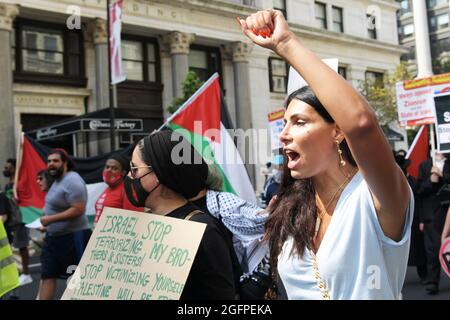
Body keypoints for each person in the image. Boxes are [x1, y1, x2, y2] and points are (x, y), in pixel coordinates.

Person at [237, 10, 412, 299]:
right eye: (284, 123)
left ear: (338, 131)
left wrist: (285, 43)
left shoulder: (374, 197)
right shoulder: (292, 208)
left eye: (299, 122)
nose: (284, 134)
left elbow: (362, 123)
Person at [124, 130, 236, 300]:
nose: (129, 176)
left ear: (158, 175)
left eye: (134, 169)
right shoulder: (143, 223)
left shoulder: (203, 231)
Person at [37, 149, 91, 300]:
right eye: (49, 161)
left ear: (65, 163)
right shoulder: (57, 181)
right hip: (53, 238)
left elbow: (78, 209)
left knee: (75, 279)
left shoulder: (73, 180)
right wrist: (46, 223)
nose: (51, 164)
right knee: (47, 274)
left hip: (73, 237)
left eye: (55, 161)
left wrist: (50, 220)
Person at [417, 152, 448, 294]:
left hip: (447, 214)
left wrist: (442, 175)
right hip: (431, 216)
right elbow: (418, 190)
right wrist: (431, 180)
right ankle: (432, 282)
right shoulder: (424, 165)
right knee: (432, 251)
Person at [394, 150, 427, 284]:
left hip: (415, 218)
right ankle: (396, 279)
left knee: (419, 248)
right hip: (398, 220)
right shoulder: (393, 184)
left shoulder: (413, 182)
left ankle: (424, 275)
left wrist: (422, 219)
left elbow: (420, 201)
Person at [0, 158, 32, 287]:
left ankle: (26, 274)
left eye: (8, 168)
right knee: (16, 246)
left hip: (21, 219)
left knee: (22, 246)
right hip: (12, 221)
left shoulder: (19, 183)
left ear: (14, 169)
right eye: (5, 168)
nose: (5, 170)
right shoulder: (8, 185)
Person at [93, 154, 142, 228]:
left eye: (114, 168)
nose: (109, 170)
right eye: (107, 167)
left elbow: (134, 220)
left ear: (123, 172)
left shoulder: (128, 191)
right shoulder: (107, 189)